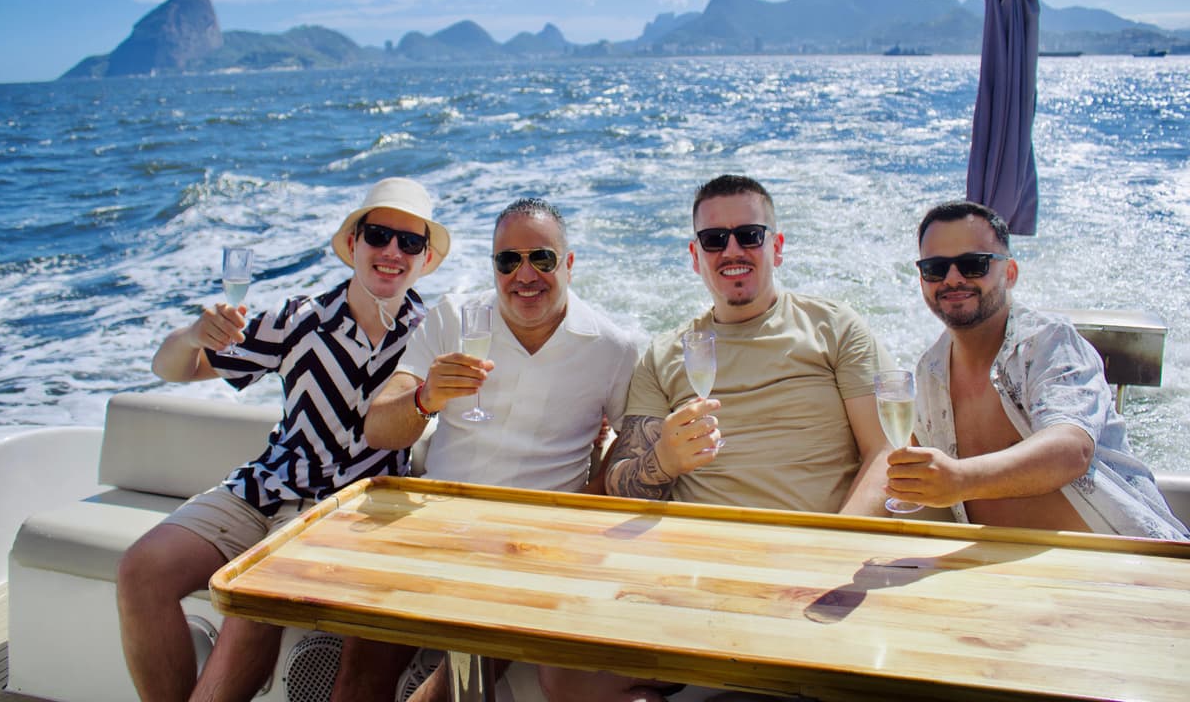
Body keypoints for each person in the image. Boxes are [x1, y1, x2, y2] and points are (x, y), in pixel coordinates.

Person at [539, 174, 893, 702]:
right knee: (565, 675)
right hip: (701, 572)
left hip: (816, 559)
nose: (732, 250)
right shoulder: (666, 354)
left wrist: (834, 551)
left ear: (776, 245)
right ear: (695, 254)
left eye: (749, 235)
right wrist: (662, 462)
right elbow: (619, 484)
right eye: (714, 239)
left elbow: (884, 452)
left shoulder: (833, 328)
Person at [116, 177, 450, 702]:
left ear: (425, 258)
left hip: (345, 513)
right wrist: (190, 336)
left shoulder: (432, 335)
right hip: (262, 489)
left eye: (409, 242)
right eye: (379, 236)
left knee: (250, 599)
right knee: (141, 571)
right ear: (353, 246)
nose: (392, 252)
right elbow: (174, 369)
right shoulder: (300, 320)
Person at [338, 197, 640, 702]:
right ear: (493, 267)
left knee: (448, 690)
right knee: (357, 674)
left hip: (532, 544)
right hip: (433, 522)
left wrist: (580, 508)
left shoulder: (614, 348)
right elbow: (379, 428)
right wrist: (424, 397)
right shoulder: (455, 318)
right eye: (508, 260)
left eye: (541, 258)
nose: (525, 274)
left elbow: (630, 444)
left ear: (569, 264)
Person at [887, 199, 1188, 539]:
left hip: (1121, 563)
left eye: (973, 265)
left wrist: (960, 479)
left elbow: (1070, 450)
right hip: (997, 573)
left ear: (1010, 273)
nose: (952, 279)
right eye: (935, 268)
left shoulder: (1050, 344)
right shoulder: (930, 371)